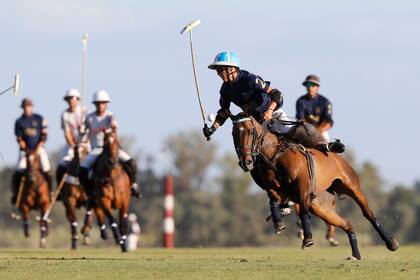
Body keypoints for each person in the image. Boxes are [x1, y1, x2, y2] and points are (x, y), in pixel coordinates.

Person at [203, 51, 290, 234]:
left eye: (221, 70)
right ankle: (280, 196)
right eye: (218, 71)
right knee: (255, 162)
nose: (218, 74)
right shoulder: (225, 89)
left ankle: (323, 147)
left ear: (232, 69)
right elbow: (224, 112)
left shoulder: (249, 79)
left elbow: (277, 94)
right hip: (254, 125)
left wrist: (270, 110)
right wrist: (213, 128)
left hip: (271, 115)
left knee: (292, 133)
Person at [78, 90, 140, 207]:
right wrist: (81, 130)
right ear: (95, 104)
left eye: (103, 103)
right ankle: (90, 194)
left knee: (132, 163)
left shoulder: (110, 116)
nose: (101, 106)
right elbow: (84, 132)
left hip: (111, 149)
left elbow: (114, 125)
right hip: (96, 149)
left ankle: (133, 186)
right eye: (98, 103)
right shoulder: (89, 118)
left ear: (106, 104)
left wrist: (112, 127)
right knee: (82, 170)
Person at [11, 98, 52, 203]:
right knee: (19, 169)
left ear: (31, 107)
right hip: (25, 151)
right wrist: (26, 148)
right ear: (22, 108)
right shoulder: (19, 121)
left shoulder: (39, 118)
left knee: (47, 168)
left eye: (28, 106)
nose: (26, 109)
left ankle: (50, 192)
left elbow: (44, 136)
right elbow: (19, 138)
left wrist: (36, 149)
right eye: (25, 107)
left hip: (39, 149)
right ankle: (16, 195)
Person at [295, 74, 345, 153]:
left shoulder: (325, 102)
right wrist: (309, 130)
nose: (310, 87)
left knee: (329, 149)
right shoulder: (301, 101)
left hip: (321, 130)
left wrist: (319, 131)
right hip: (306, 130)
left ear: (317, 87)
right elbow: (301, 119)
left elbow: (329, 122)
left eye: (312, 85)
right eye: (308, 85)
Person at [55, 89, 89, 199]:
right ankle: (59, 192)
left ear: (78, 100)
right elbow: (67, 133)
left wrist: (85, 138)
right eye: (69, 99)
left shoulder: (85, 112)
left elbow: (90, 129)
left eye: (74, 98)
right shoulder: (65, 115)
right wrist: (73, 146)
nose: (72, 101)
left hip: (86, 143)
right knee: (61, 166)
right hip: (72, 145)